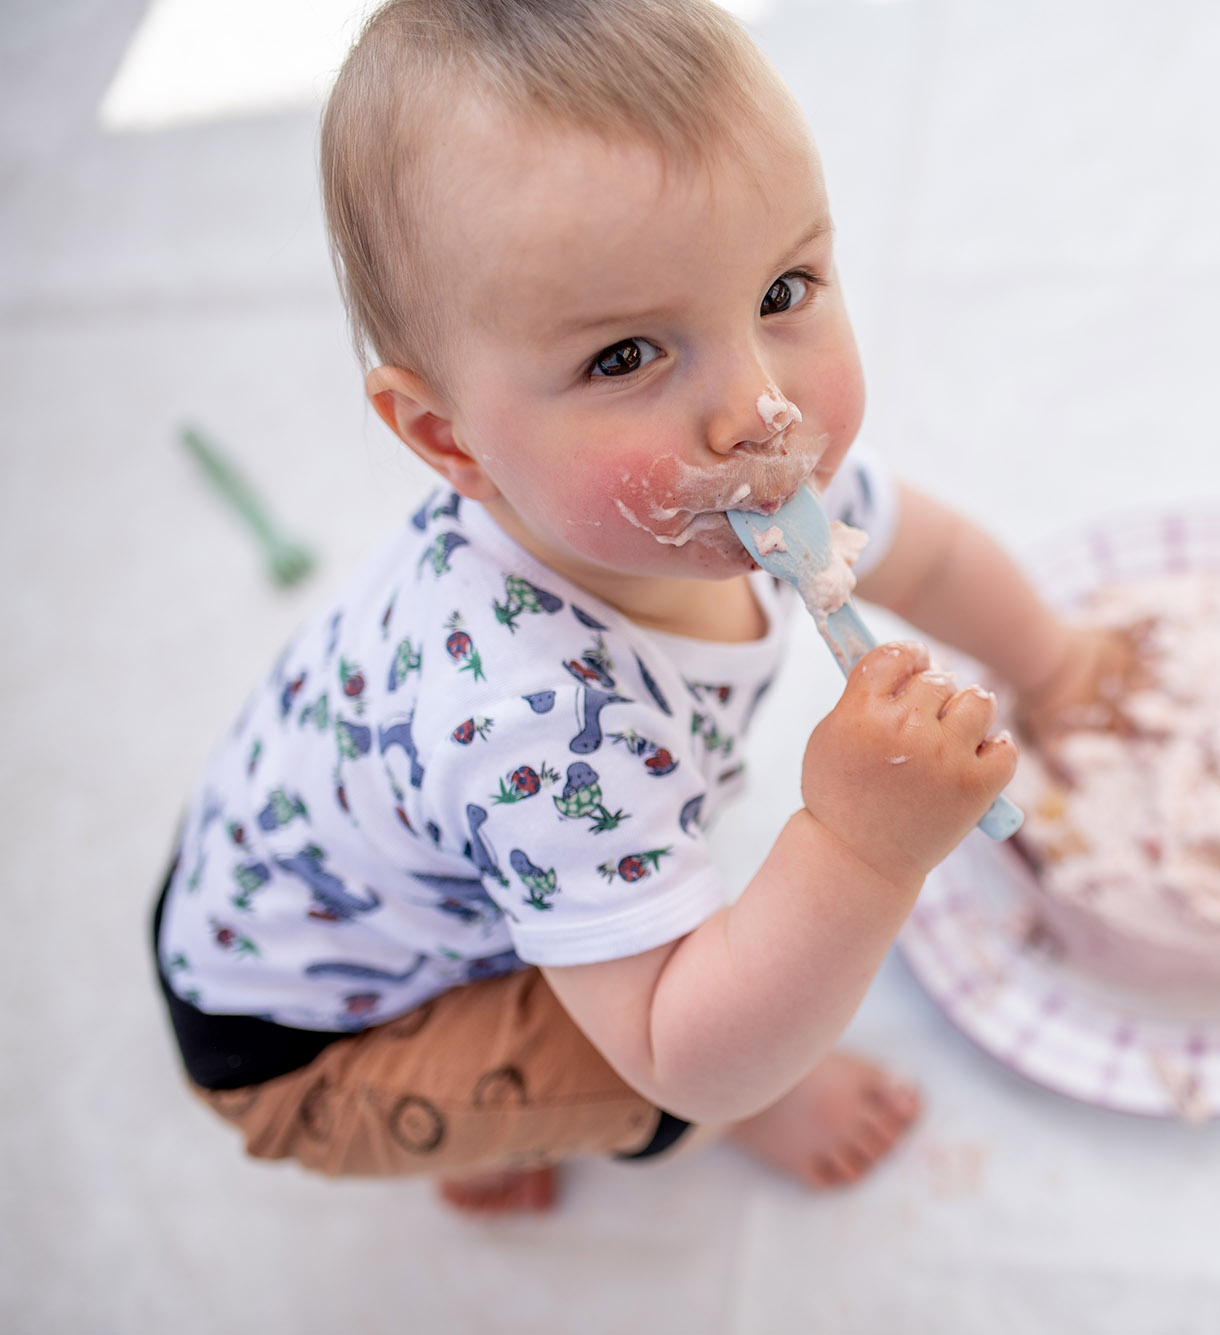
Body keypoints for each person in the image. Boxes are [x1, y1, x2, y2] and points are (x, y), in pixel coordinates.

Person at [154, 0, 1127, 1215]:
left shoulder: (753, 481)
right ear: (448, 436)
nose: (761, 412)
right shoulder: (537, 723)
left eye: (784, 288)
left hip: (320, 875)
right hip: (320, 1043)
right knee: (662, 1082)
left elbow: (924, 556)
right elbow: (685, 1051)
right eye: (625, 356)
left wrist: (1059, 664)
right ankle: (475, 1138)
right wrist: (861, 850)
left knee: (632, 932)